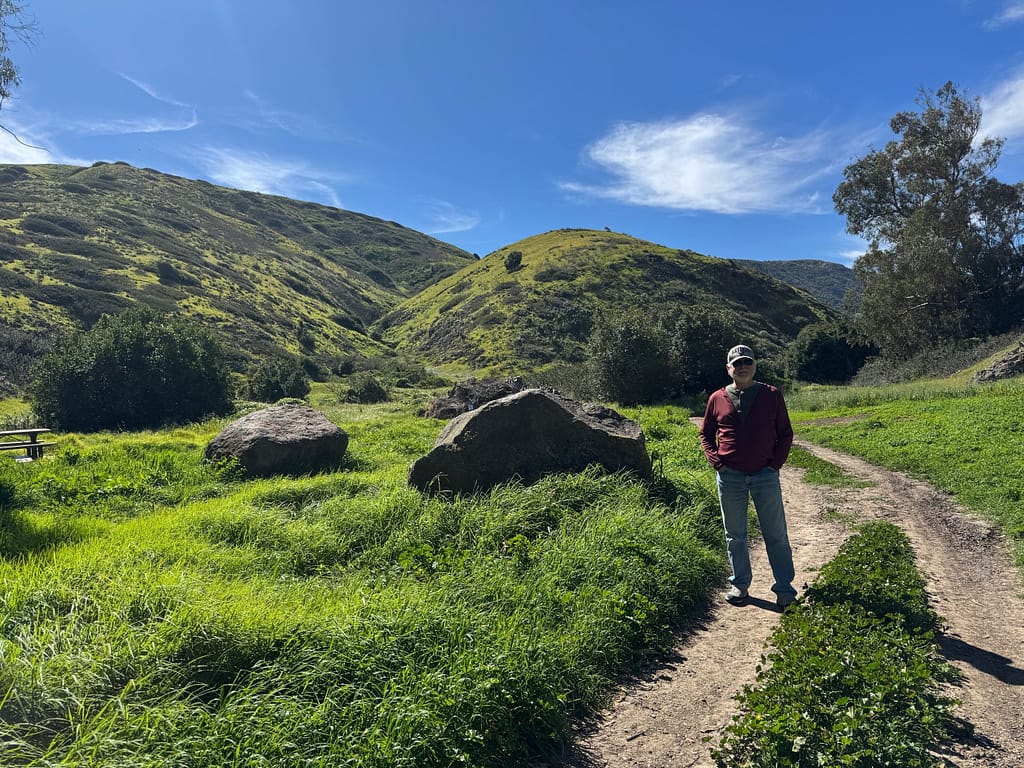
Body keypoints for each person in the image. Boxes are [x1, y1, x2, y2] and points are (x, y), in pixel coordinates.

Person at [699, 344, 797, 609]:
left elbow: (785, 433)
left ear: (754, 366)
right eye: (737, 363)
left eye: (747, 362)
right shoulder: (717, 398)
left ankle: (784, 589)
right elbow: (706, 435)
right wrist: (717, 463)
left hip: (764, 475)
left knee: (776, 534)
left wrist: (774, 465)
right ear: (728, 369)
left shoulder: (772, 395)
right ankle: (740, 585)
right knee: (735, 535)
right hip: (730, 477)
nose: (742, 367)